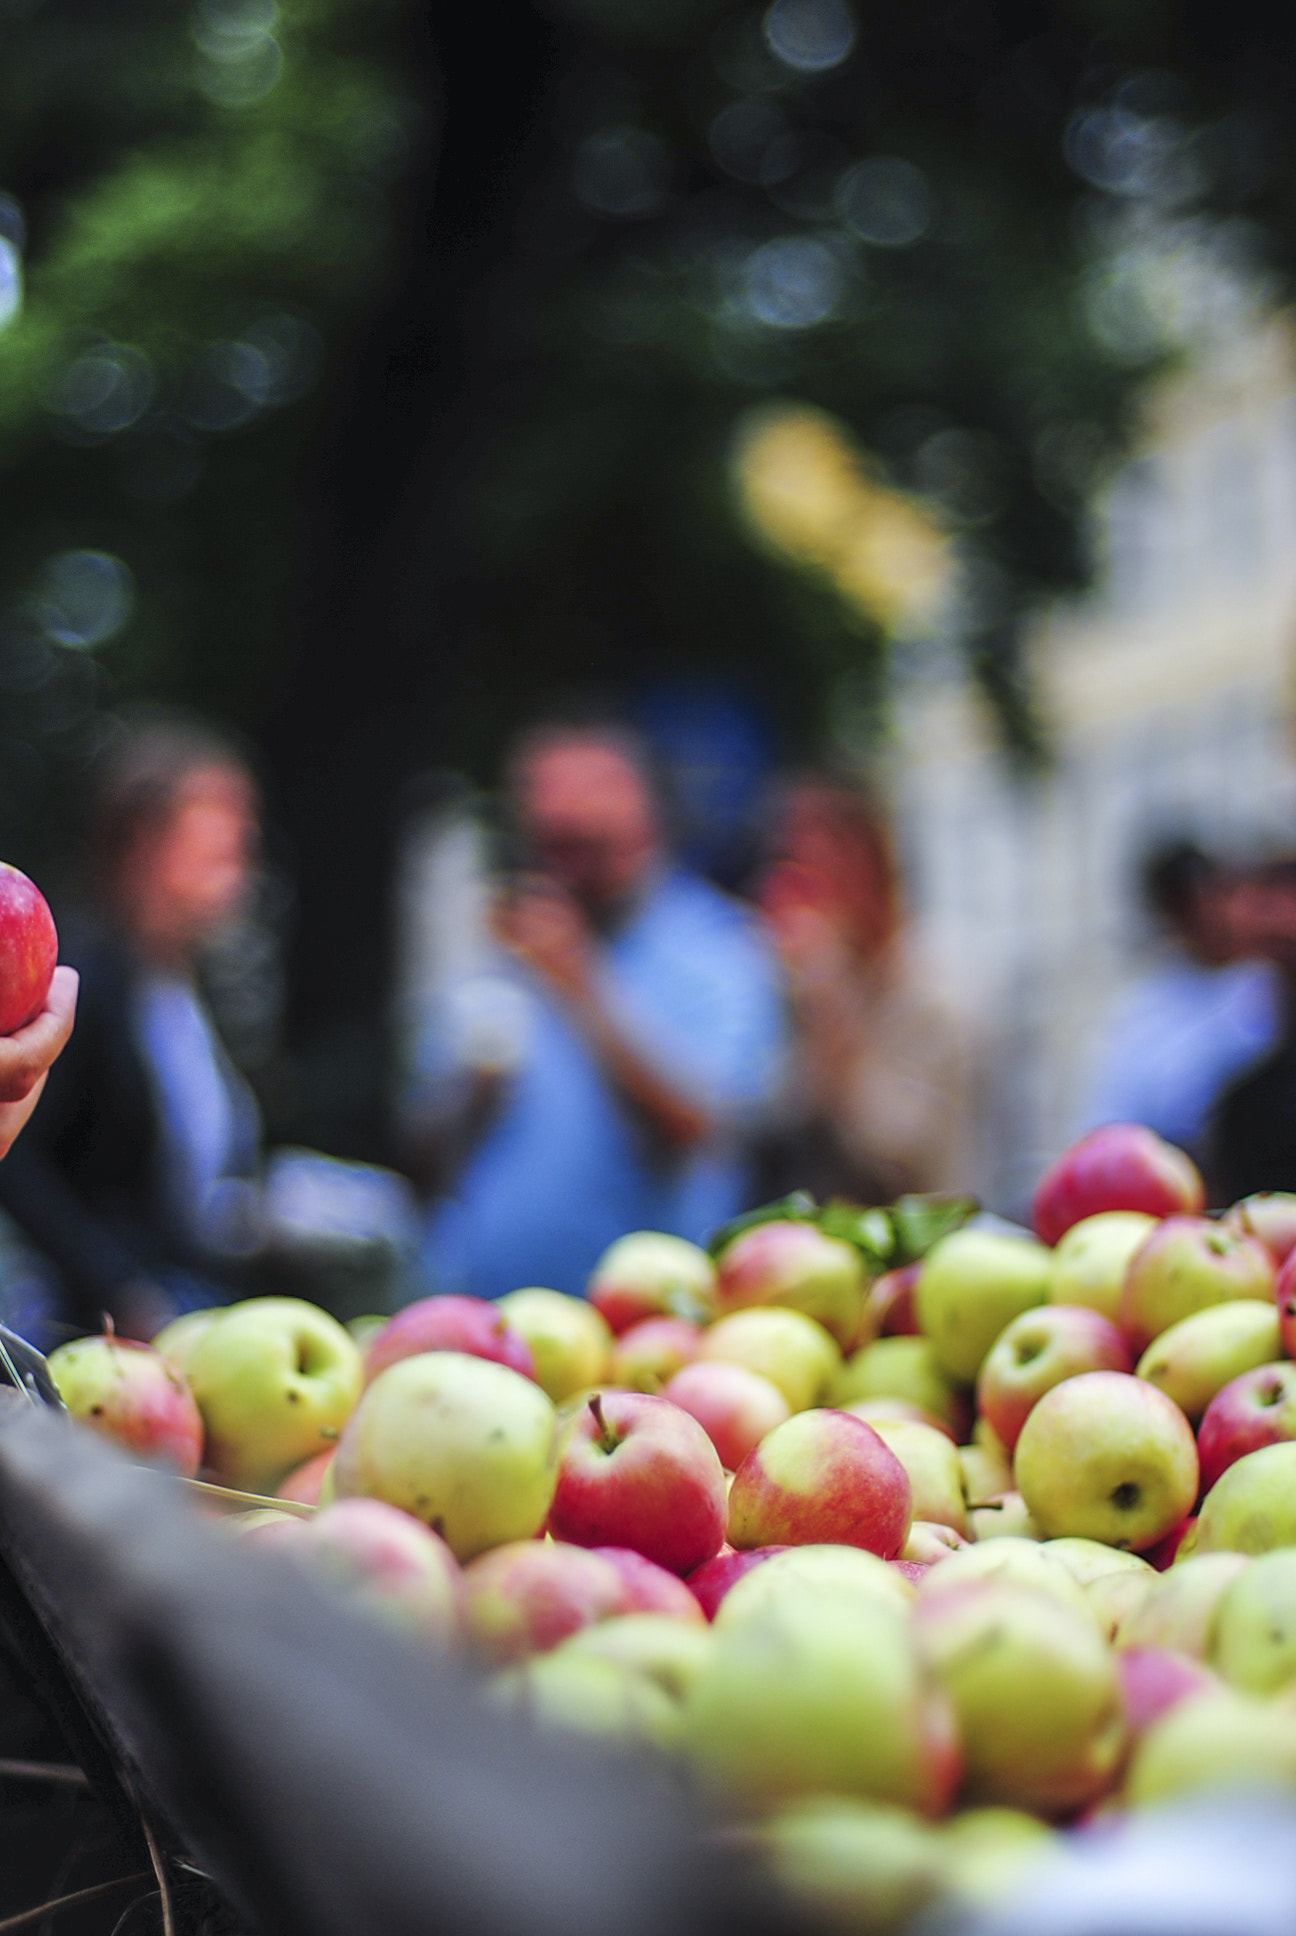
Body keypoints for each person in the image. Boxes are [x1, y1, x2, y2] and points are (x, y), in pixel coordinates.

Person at [401, 723, 786, 1299]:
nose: (561, 866)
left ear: (644, 820)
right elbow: (425, 1147)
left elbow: (700, 1130)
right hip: (480, 1312)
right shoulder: (507, 946)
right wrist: (473, 1090)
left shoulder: (719, 948)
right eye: (548, 841)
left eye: (583, 843)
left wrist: (580, 984)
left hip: (640, 1329)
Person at [0, 719, 265, 1339]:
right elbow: (22, 1163)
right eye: (219, 809)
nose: (243, 833)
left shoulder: (185, 988)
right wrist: (119, 1286)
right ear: (144, 840)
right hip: (89, 1324)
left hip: (180, 1303)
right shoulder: (79, 978)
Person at [751, 776, 981, 1205]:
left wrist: (829, 1004)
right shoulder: (810, 977)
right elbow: (773, 1126)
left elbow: (892, 1157)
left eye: (818, 872)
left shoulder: (933, 993)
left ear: (869, 869)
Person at [1078, 839, 1280, 1160]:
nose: (1208, 915)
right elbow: (1109, 1133)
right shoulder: (1144, 1015)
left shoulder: (1270, 985)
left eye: (1216, 896)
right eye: (1188, 905)